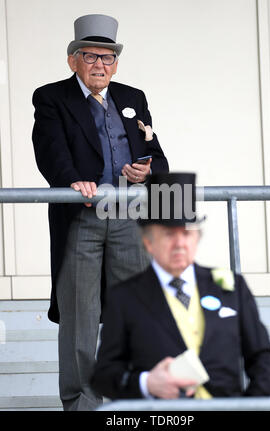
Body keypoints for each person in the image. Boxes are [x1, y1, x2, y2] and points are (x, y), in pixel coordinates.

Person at [32, 14, 169, 411]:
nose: (99, 65)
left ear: (116, 63)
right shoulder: (52, 97)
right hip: (82, 219)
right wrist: (73, 180)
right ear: (72, 60)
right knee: (81, 317)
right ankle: (82, 404)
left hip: (129, 215)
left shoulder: (132, 97)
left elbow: (156, 154)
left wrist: (148, 171)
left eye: (107, 58)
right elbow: (50, 148)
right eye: (90, 56)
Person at [91, 172, 270, 401]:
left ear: (197, 238)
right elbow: (103, 377)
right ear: (148, 242)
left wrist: (250, 406)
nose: (180, 243)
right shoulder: (125, 297)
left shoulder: (231, 287)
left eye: (187, 233)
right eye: (169, 234)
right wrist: (147, 383)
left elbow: (263, 357)